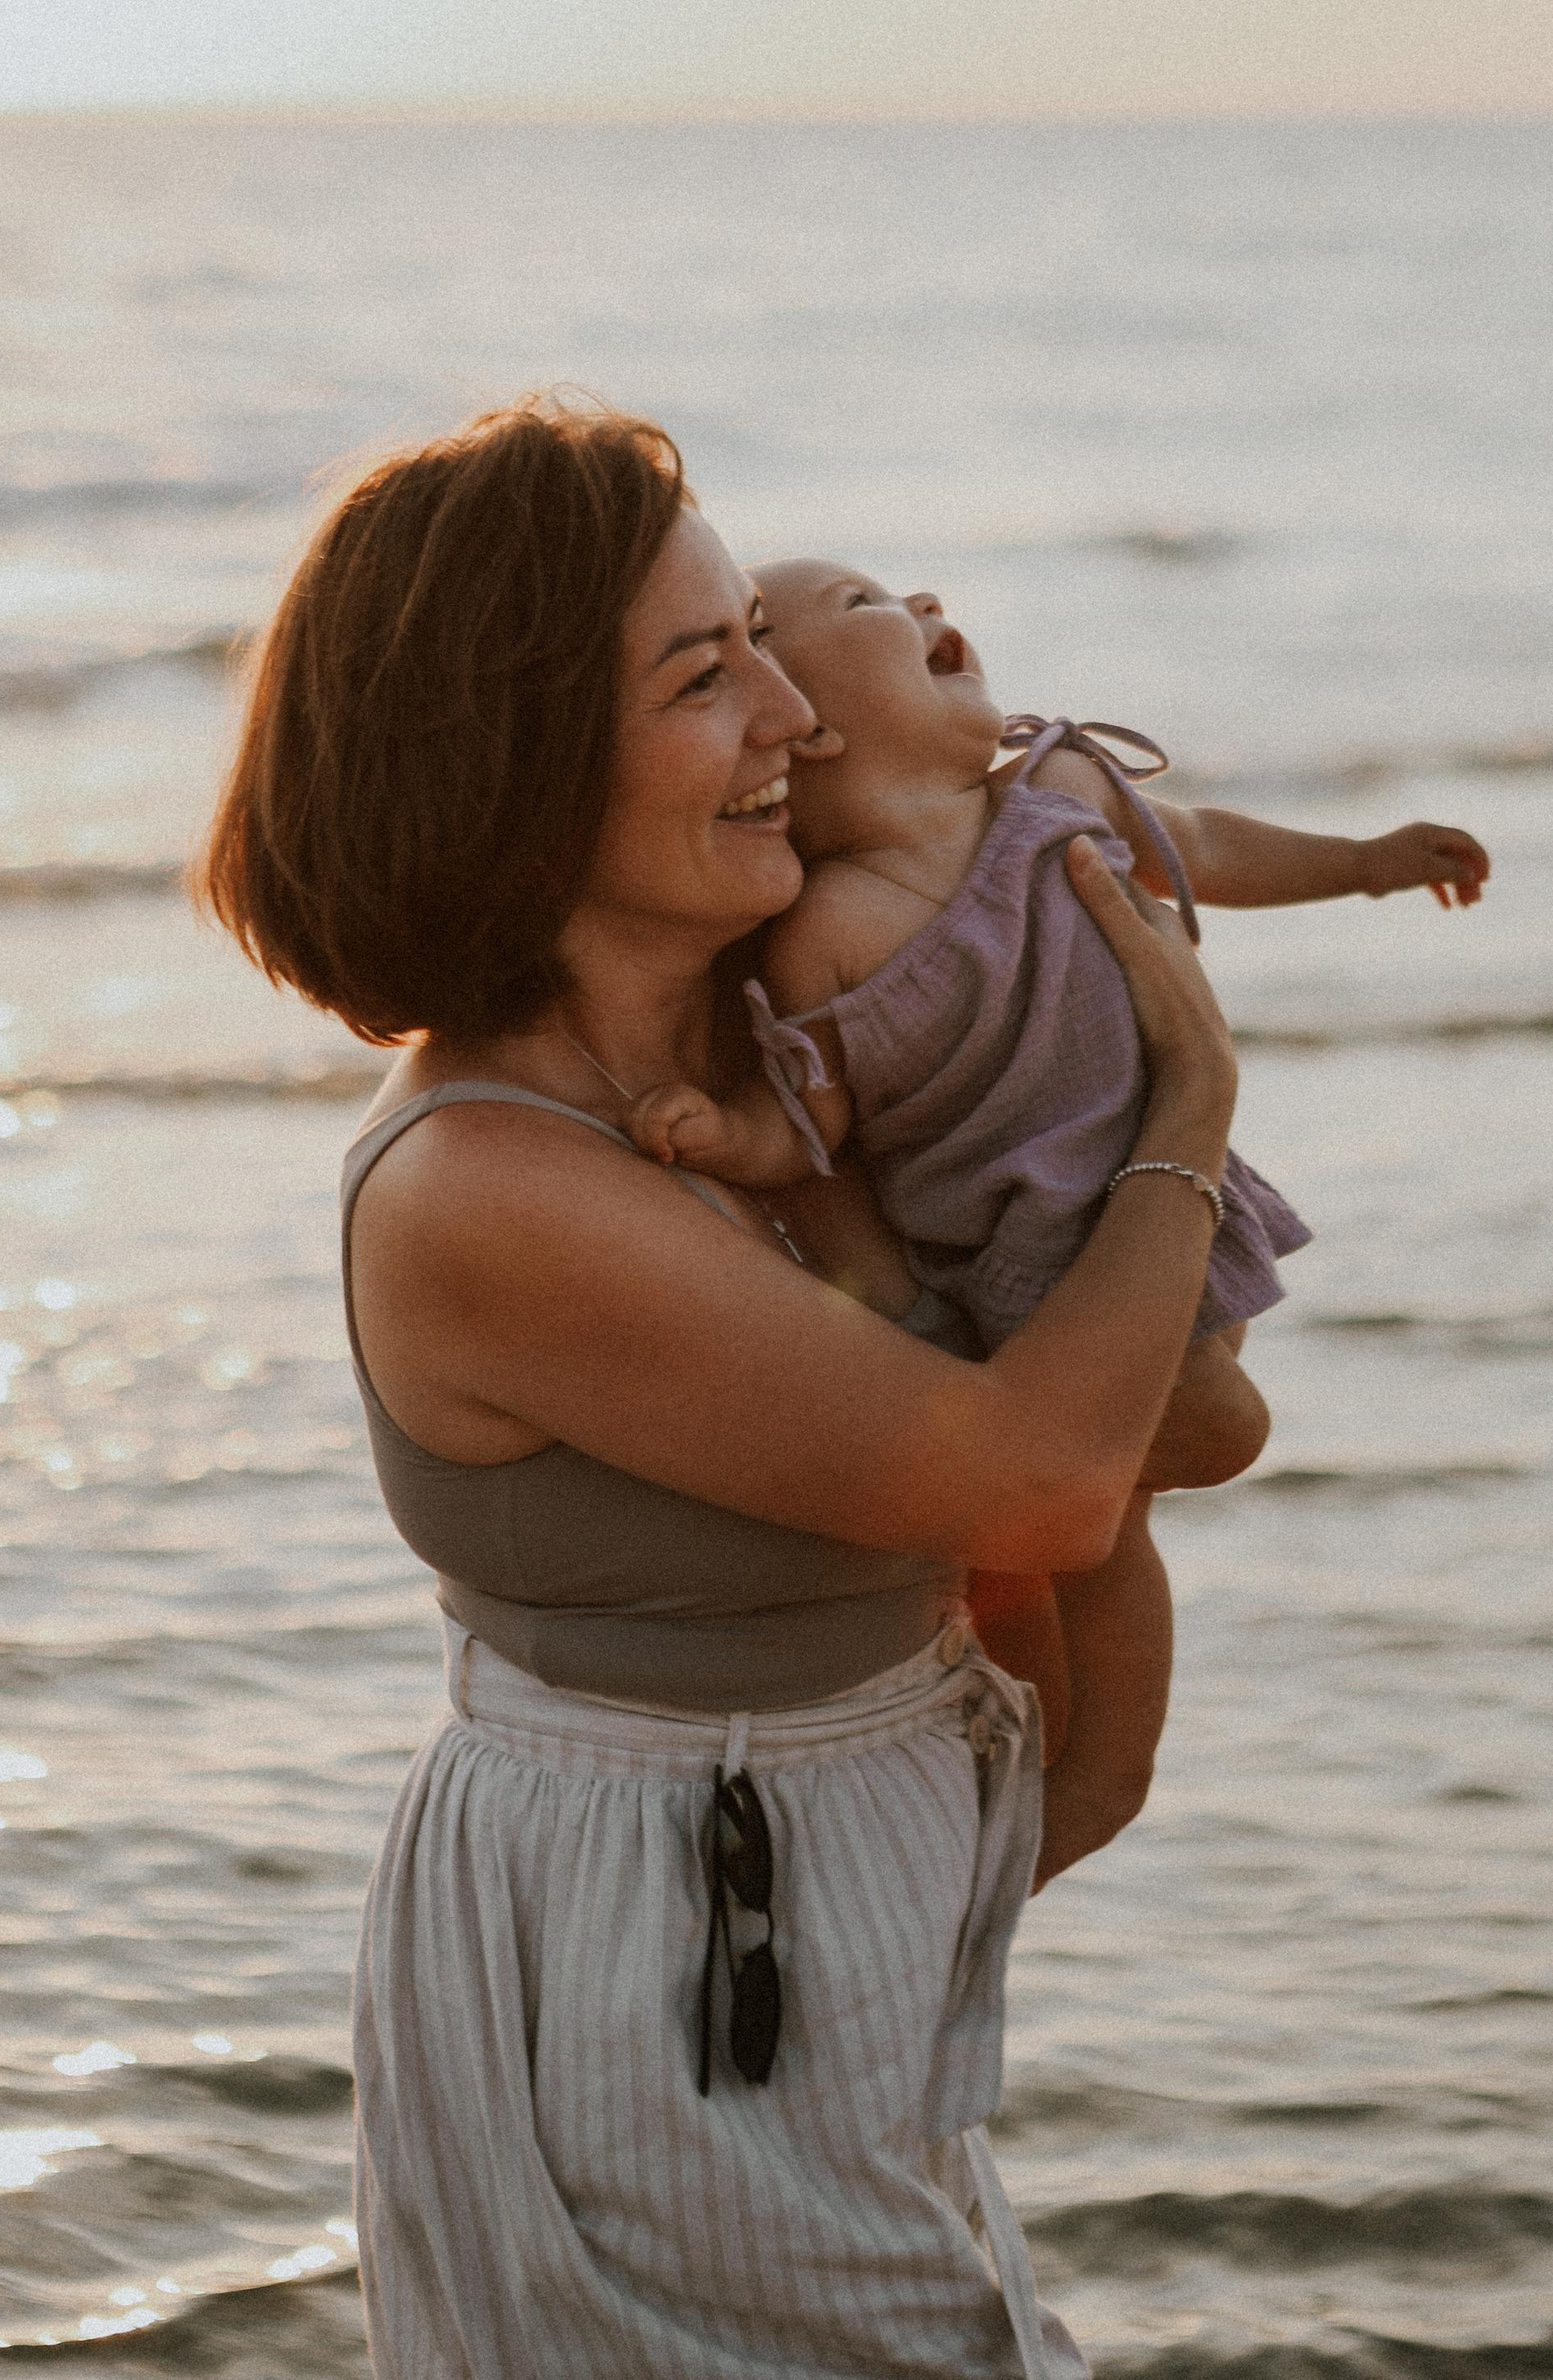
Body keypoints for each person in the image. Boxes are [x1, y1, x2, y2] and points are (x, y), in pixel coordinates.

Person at [200, 401, 1251, 2380]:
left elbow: (1160, 1439)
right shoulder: (488, 1191)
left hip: (815, 1935)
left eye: (765, 644)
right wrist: (1183, 1104)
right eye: (705, 673)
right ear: (510, 769)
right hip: (668, 1970)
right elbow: (1036, 1485)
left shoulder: (785, 1084)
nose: (795, 713)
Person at [623, 558, 1488, 1882]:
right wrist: (728, 1132)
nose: (918, 600)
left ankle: (1080, 1760)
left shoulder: (1060, 797)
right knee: (1098, 1538)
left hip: (1167, 1205)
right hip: (1017, 1269)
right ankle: (1090, 1780)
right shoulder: (827, 931)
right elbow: (815, 1116)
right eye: (869, 605)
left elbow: (1201, 842)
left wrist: (1364, 864)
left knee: (1134, 1482)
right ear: (817, 721)